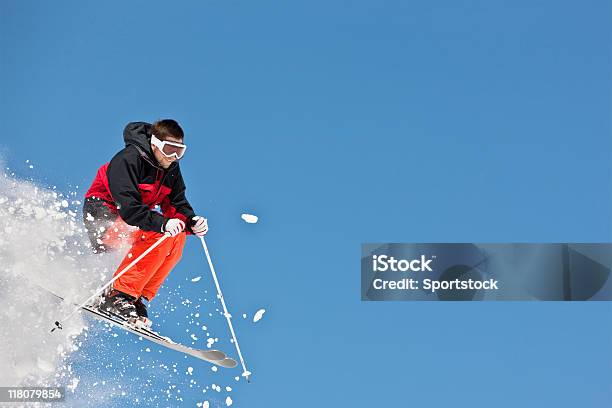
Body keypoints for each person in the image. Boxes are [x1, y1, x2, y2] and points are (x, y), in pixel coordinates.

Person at [82, 120, 208, 327]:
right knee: (159, 233)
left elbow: (176, 203)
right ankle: (118, 294)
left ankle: (134, 296)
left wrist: (191, 222)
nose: (174, 157)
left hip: (132, 219)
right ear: (155, 144)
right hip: (103, 216)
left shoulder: (170, 169)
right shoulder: (129, 160)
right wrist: (162, 224)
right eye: (169, 150)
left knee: (176, 238)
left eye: (180, 151)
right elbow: (129, 208)